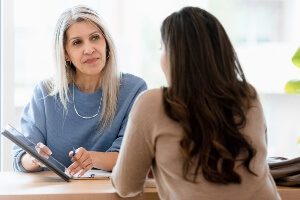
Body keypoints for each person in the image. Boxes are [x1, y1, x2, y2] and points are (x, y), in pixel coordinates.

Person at [111, 6, 281, 200]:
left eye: (162, 48)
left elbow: (126, 187)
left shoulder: (152, 103)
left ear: (175, 56)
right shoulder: (247, 95)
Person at [13, 5, 147, 177]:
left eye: (95, 38)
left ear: (106, 42)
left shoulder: (134, 90)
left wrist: (91, 158)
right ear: (66, 54)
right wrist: (34, 158)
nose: (89, 49)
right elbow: (20, 156)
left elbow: (131, 156)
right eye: (77, 42)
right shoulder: (45, 92)